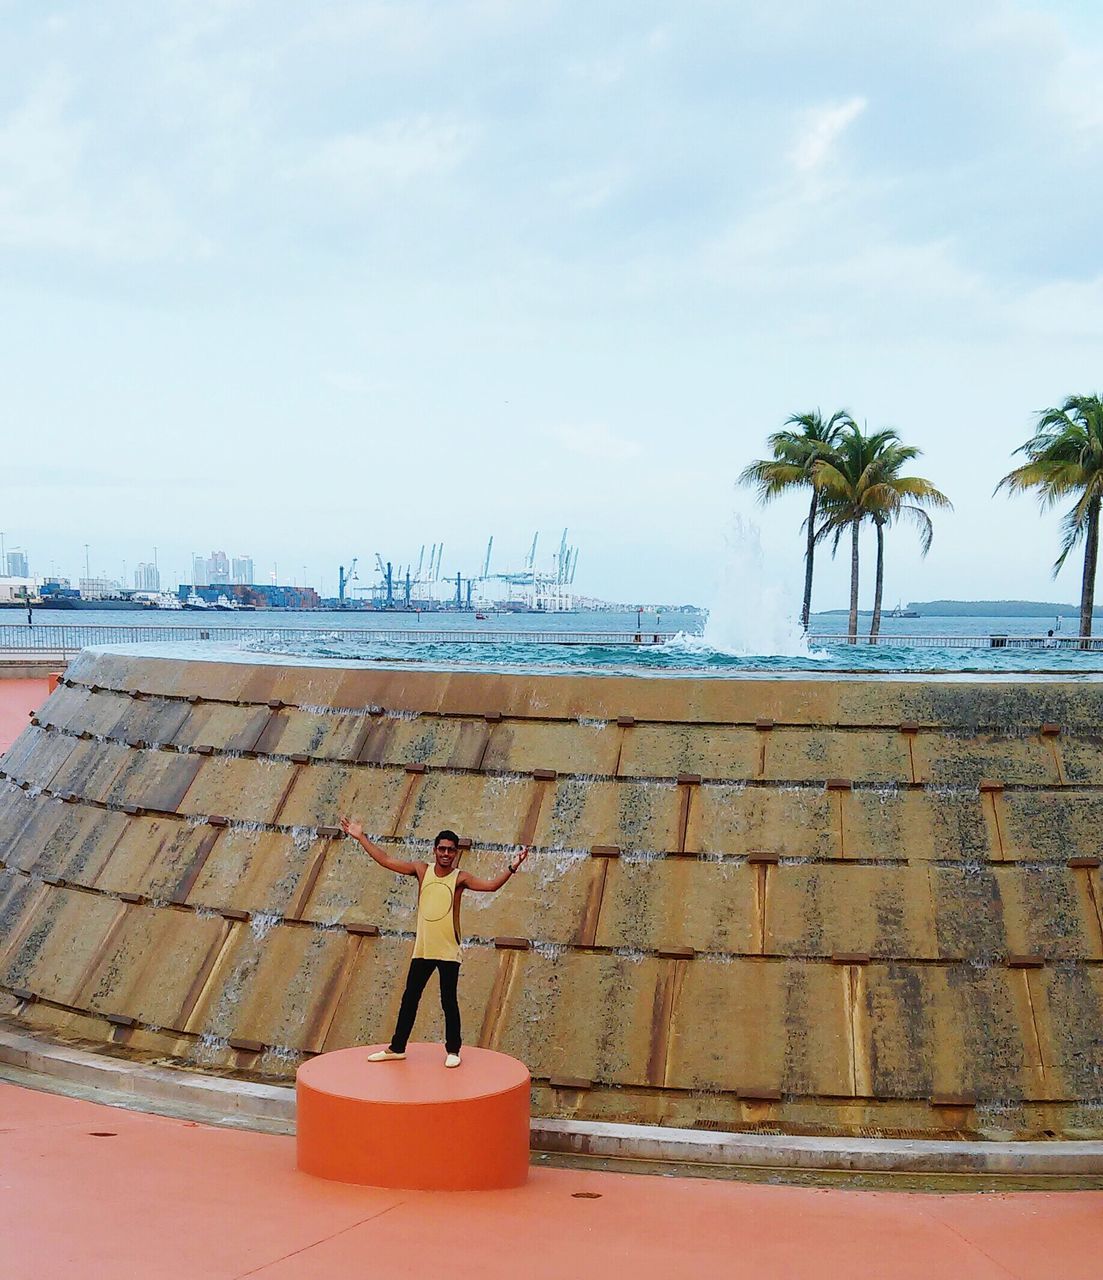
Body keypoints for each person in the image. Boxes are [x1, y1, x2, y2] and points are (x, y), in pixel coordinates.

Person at [338, 819, 528, 1067]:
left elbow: (491, 887)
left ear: (456, 852)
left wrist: (512, 867)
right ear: (435, 850)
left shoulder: (461, 878)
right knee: (410, 998)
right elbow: (386, 860)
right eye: (442, 849)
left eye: (450, 849)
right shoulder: (421, 870)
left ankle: (453, 1050)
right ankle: (397, 1047)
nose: (446, 853)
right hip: (424, 949)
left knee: (448, 1000)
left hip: (448, 950)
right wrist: (361, 837)